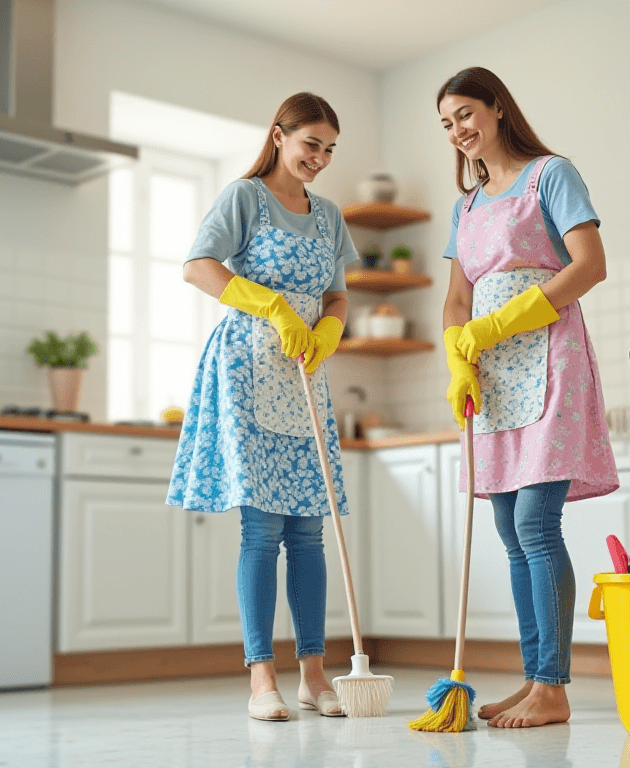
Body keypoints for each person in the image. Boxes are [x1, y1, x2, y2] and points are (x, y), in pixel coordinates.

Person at [166, 92, 359, 722]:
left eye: (329, 149)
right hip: (249, 366)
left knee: (309, 530)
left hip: (307, 369)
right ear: (279, 136)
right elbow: (198, 268)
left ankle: (313, 673)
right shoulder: (244, 197)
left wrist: (329, 330)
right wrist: (273, 305)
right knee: (262, 529)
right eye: (311, 145)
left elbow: (338, 297)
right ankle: (260, 679)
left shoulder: (330, 216)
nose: (320, 159)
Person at [437, 67, 619, 728]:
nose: (459, 131)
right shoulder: (467, 206)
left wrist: (504, 322)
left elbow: (589, 265)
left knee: (537, 525)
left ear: (495, 107)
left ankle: (554, 684)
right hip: (491, 379)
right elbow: (457, 299)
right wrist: (459, 360)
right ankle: (536, 679)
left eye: (465, 114)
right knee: (511, 535)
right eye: (448, 123)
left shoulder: (551, 175)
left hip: (549, 362)